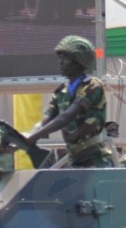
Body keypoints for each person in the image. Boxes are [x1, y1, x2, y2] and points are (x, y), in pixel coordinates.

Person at [26, 36, 111, 168]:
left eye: (65, 58)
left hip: (96, 160)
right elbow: (46, 120)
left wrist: (33, 137)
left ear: (78, 61)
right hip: (75, 160)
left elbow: (66, 117)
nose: (60, 62)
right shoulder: (61, 92)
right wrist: (26, 135)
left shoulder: (92, 86)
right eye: (60, 58)